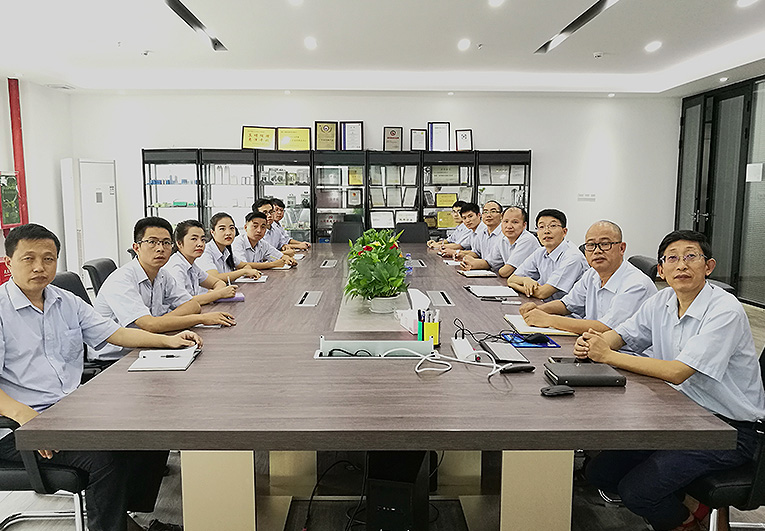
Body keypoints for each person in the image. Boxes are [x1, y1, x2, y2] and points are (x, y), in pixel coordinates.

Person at [0, 223, 201, 531]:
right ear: (8, 261)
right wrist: (27, 418)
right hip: (18, 428)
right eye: (29, 258)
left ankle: (125, 518)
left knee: (152, 426)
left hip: (71, 413)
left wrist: (169, 340)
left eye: (48, 258)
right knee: (106, 455)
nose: (40, 267)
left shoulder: (64, 300)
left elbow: (115, 333)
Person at [576, 230, 765, 531]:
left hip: (729, 430)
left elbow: (678, 372)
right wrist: (595, 344)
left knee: (638, 492)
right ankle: (694, 506)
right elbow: (623, 334)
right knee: (600, 473)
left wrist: (607, 355)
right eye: (672, 258)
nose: (682, 265)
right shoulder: (663, 299)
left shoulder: (724, 309)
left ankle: (686, 523)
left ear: (709, 266)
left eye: (691, 257)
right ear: (661, 270)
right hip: (681, 416)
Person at [92, 216, 235, 360]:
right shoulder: (122, 279)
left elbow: (192, 306)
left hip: (148, 345)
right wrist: (201, 319)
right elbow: (149, 325)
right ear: (136, 247)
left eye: (166, 243)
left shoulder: (162, 274)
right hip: (116, 359)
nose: (160, 248)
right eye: (152, 242)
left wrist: (159, 323)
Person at [518, 220, 656, 334]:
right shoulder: (592, 274)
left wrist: (549, 320)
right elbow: (567, 304)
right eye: (591, 245)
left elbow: (607, 328)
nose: (597, 251)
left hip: (627, 354)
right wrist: (538, 310)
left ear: (622, 248)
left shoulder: (636, 284)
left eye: (605, 244)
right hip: (594, 345)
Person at [506, 208, 588, 301]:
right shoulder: (540, 252)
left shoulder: (573, 257)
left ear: (564, 232)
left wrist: (515, 285)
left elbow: (542, 293)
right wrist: (525, 280)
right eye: (541, 227)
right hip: (546, 304)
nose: (546, 231)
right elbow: (511, 279)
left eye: (552, 226)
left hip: (567, 309)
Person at [163, 219, 246, 305]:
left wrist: (213, 294)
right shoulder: (176, 267)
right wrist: (218, 294)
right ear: (179, 243)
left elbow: (218, 282)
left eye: (202, 239)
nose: (200, 244)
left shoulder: (191, 265)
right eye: (194, 239)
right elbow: (184, 302)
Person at [462, 206, 539, 274]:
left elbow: (506, 272)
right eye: (506, 221)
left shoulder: (527, 240)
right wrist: (471, 264)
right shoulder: (503, 239)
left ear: (524, 225)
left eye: (515, 222)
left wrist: (499, 270)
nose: (509, 226)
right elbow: (489, 263)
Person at [196, 212, 261, 282]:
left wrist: (247, 271)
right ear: (212, 232)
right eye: (222, 229)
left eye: (231, 228)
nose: (228, 233)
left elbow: (245, 265)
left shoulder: (226, 251)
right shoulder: (205, 252)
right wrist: (244, 272)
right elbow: (215, 278)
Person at [232, 211, 297, 269]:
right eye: (255, 226)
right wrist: (272, 264)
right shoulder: (238, 242)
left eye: (263, 227)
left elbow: (279, 255)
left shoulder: (262, 243)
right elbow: (242, 265)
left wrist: (288, 259)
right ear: (246, 227)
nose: (259, 230)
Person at [457, 200, 504, 269]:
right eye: (485, 212)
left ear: (501, 216)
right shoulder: (482, 233)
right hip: (484, 270)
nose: (488, 215)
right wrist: (463, 255)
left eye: (493, 211)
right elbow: (477, 252)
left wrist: (473, 264)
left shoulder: (505, 234)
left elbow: (492, 262)